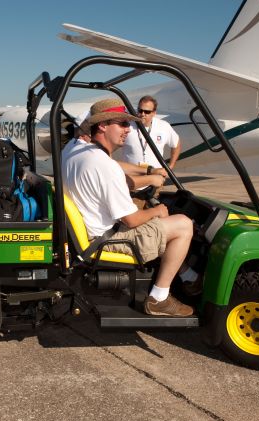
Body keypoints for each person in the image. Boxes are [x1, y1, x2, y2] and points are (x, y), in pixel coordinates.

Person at [63, 99, 194, 316]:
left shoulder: (74, 149)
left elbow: (112, 171)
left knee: (159, 222)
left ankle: (188, 275)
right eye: (122, 124)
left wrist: (147, 174)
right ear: (102, 126)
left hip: (90, 231)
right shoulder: (103, 165)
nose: (128, 129)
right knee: (183, 225)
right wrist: (157, 211)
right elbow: (131, 220)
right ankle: (159, 298)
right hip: (106, 240)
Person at [117, 95, 182, 171]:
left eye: (147, 112)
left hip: (156, 177)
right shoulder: (127, 126)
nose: (143, 114)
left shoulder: (164, 126)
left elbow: (176, 145)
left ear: (154, 113)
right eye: (140, 110)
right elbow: (111, 143)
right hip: (132, 177)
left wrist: (170, 167)